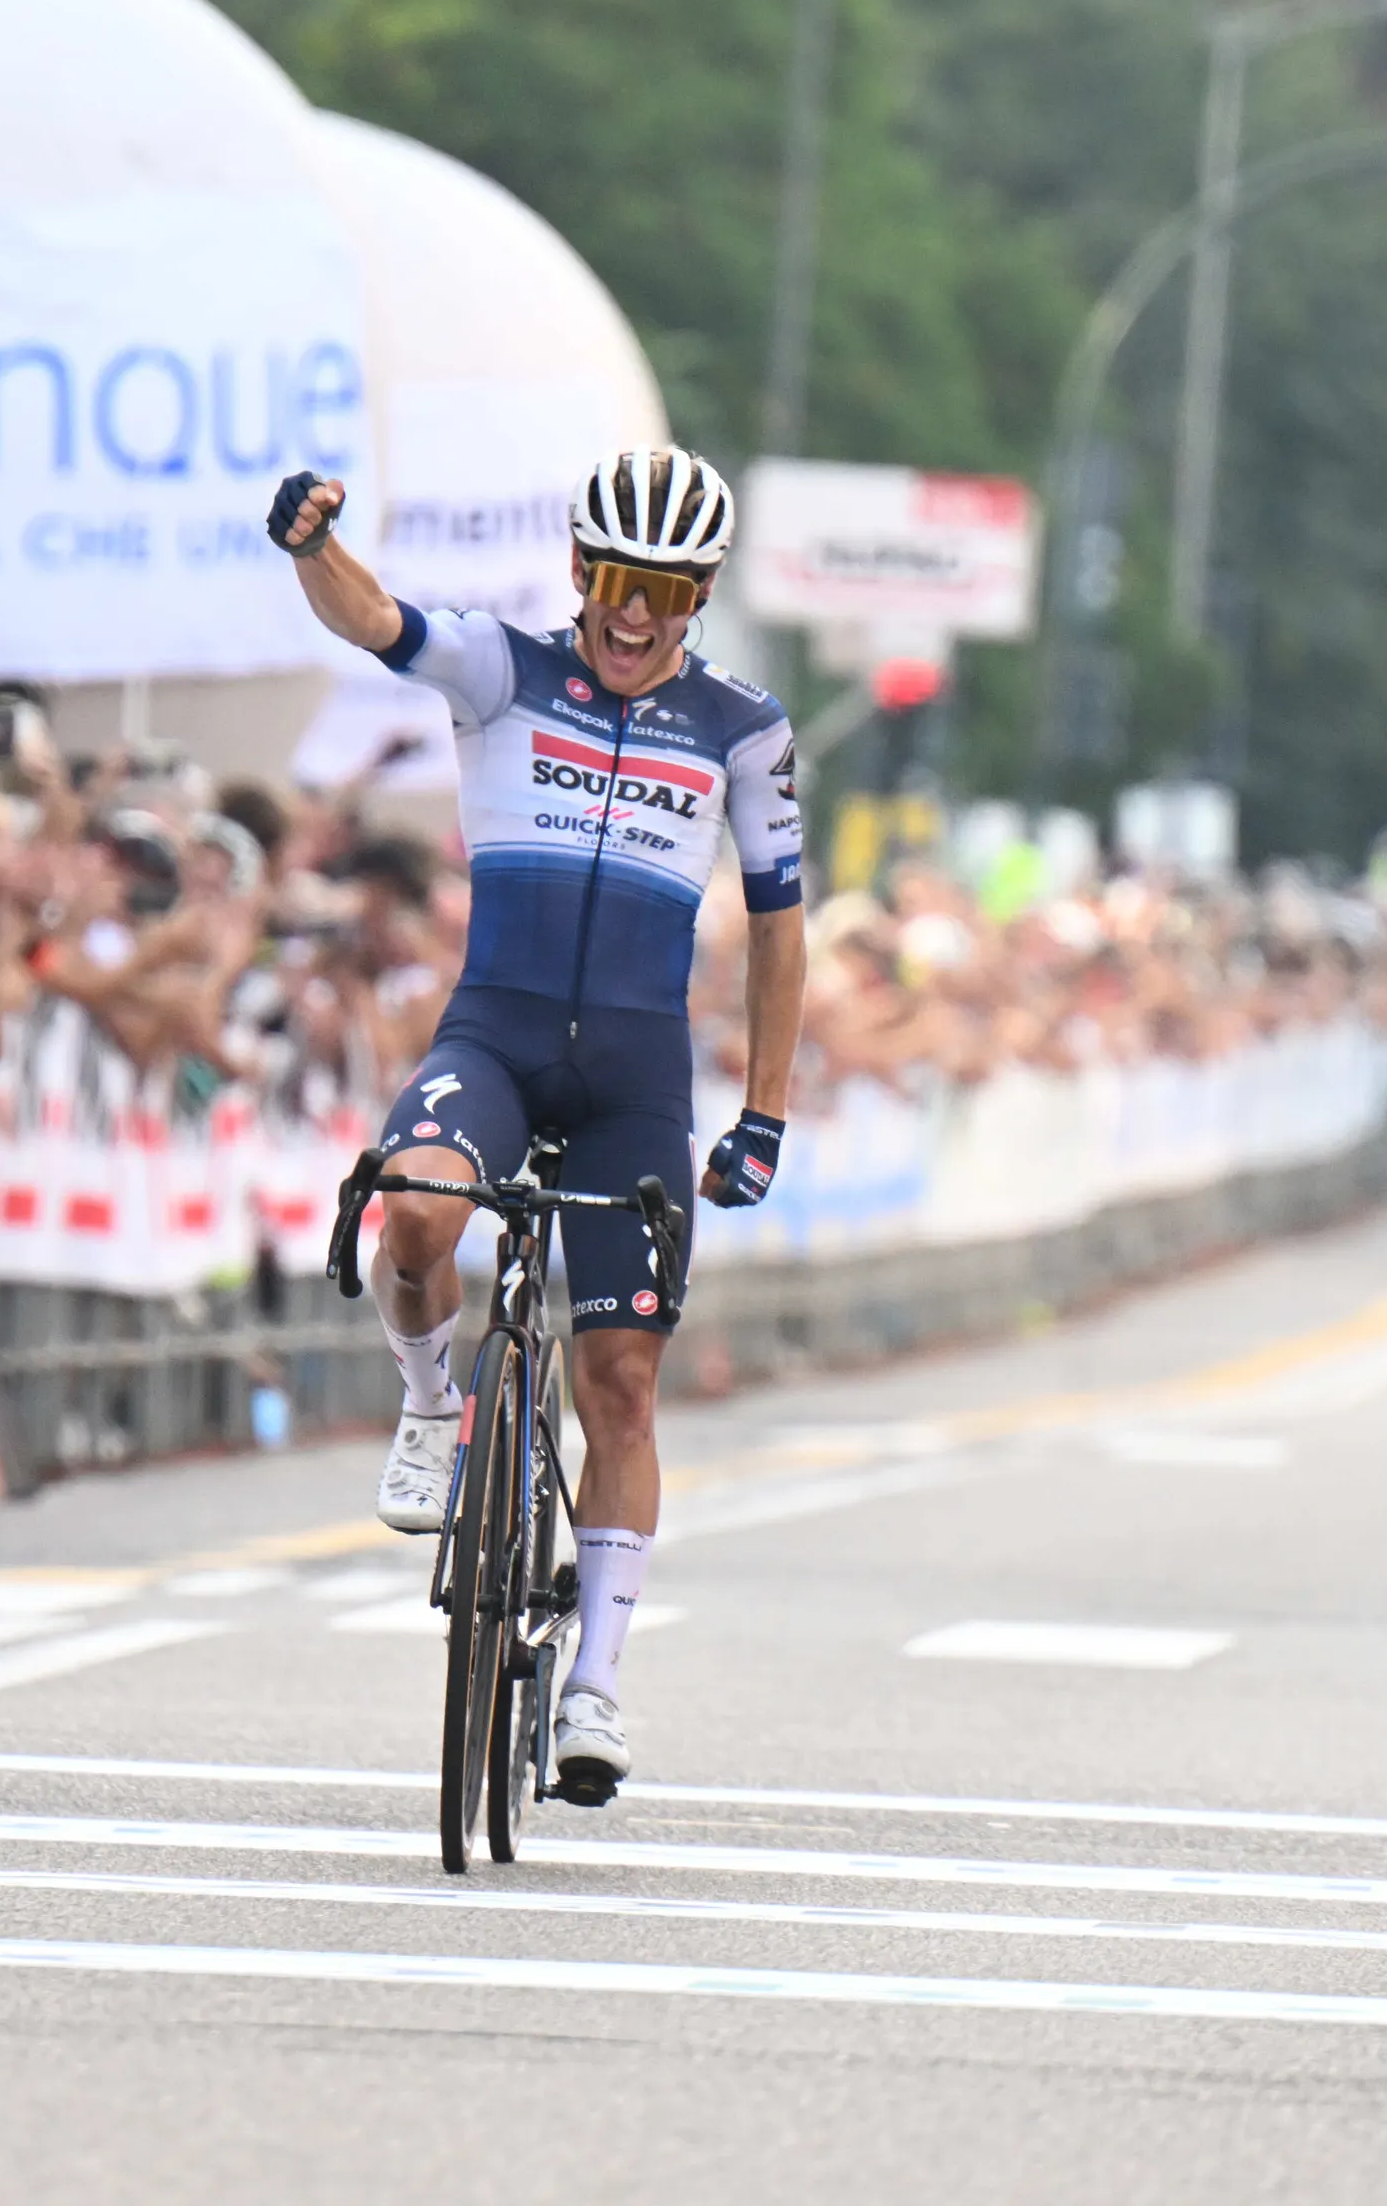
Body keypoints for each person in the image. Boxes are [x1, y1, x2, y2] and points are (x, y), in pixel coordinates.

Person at [268, 446, 805, 1805]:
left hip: (635, 1080)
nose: (637, 617)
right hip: (496, 1036)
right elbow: (375, 619)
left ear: (703, 597)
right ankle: (436, 1402)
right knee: (416, 1212)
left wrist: (765, 1114)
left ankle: (597, 1690)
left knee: (619, 1381)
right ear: (579, 570)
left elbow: (782, 936)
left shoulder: (743, 729)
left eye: (670, 594)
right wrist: (308, 547)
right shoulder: (507, 672)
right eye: (619, 582)